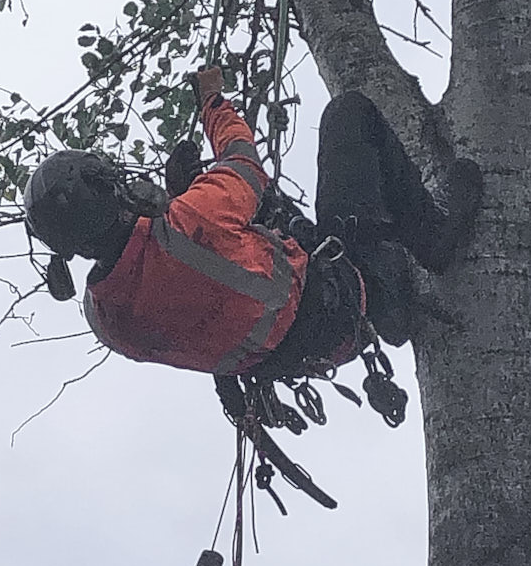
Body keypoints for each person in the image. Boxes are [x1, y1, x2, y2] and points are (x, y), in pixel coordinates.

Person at [24, 66, 482, 379]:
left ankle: (386, 297)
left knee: (264, 230)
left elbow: (183, 281)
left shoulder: (107, 320)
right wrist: (211, 103)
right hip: (349, 289)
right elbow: (244, 164)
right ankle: (431, 236)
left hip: (300, 351)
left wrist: (181, 195)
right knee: (349, 113)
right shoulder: (191, 221)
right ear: (111, 193)